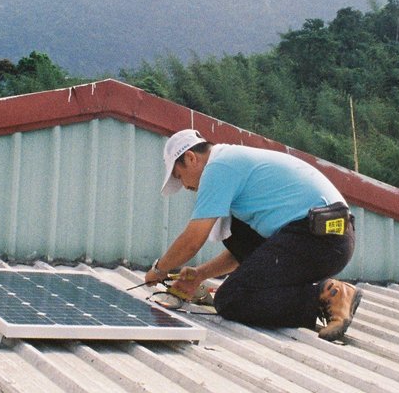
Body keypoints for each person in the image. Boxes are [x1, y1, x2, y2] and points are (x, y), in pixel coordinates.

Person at [145, 128, 361, 341]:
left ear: (191, 158)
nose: (185, 186)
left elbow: (192, 241)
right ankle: (326, 295)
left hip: (321, 236)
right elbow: (248, 253)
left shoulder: (218, 167)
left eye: (180, 177)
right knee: (234, 234)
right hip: (323, 237)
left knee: (232, 300)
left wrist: (159, 269)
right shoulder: (232, 165)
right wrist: (200, 274)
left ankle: (329, 296)